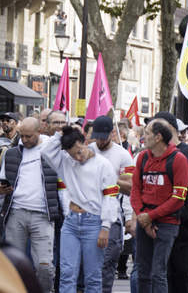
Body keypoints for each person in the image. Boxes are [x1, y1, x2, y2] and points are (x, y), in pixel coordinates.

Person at [41, 125, 120, 293]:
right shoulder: (66, 162)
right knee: (67, 273)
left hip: (94, 222)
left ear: (84, 142)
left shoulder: (103, 165)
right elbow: (45, 151)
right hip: (71, 222)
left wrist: (106, 227)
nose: (78, 157)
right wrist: (60, 133)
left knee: (92, 276)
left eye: (79, 151)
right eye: (72, 154)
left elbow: (110, 197)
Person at [152, 112, 188, 291]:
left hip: (184, 222)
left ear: (169, 128)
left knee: (183, 271)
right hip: (158, 222)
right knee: (160, 272)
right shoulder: (151, 154)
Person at [130, 120, 188, 293]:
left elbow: (179, 198)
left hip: (167, 223)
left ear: (158, 137)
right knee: (142, 271)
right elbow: (135, 190)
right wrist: (143, 216)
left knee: (158, 272)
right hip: (144, 220)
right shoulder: (142, 157)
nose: (144, 137)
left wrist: (151, 216)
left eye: (147, 133)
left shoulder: (179, 159)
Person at [0, 117, 60, 292]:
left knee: (45, 266)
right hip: (15, 214)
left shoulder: (50, 152)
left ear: (39, 132)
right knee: (11, 266)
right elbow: (4, 180)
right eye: (22, 136)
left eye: (29, 136)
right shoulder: (12, 153)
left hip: (43, 215)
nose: (24, 140)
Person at [89, 116, 136, 293]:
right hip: (89, 212)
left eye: (104, 136)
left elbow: (129, 188)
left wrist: (109, 179)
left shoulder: (123, 155)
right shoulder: (87, 151)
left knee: (108, 261)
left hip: (112, 213)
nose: (100, 141)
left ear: (112, 133)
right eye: (97, 136)